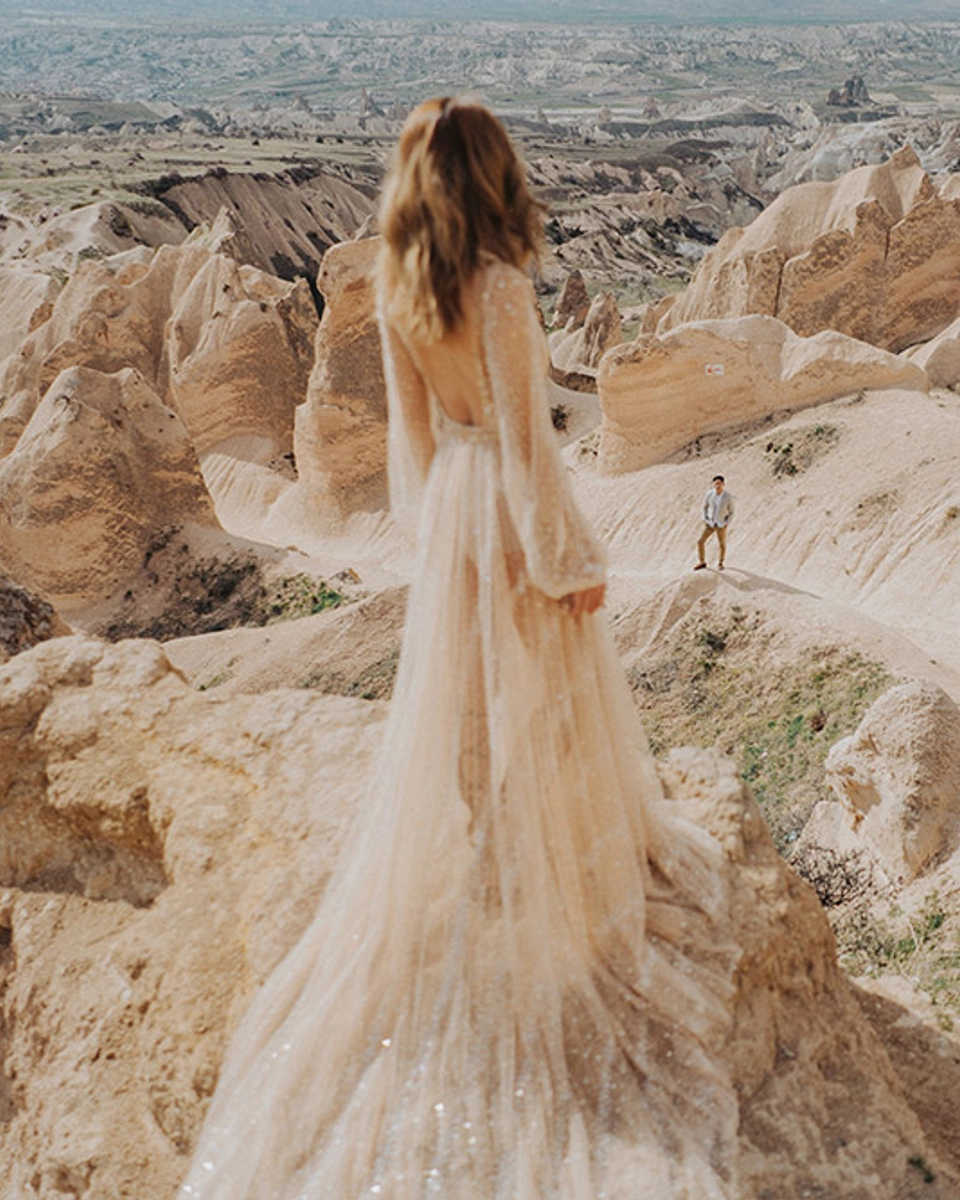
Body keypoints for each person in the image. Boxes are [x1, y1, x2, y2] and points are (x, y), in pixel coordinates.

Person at [178, 98, 737, 1200]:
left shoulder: (401, 296)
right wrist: (569, 562)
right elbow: (530, 449)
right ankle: (552, 881)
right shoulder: (503, 291)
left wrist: (444, 540)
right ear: (496, 180)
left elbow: (415, 450)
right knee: (557, 697)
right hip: (513, 512)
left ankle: (491, 861)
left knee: (473, 703)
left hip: (451, 519)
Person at [694, 475, 734, 571]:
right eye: (716, 483)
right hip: (711, 523)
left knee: (722, 544)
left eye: (719, 483)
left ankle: (720, 563)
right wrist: (705, 518)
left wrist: (726, 523)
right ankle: (702, 561)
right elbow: (705, 506)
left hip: (721, 524)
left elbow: (732, 511)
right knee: (700, 541)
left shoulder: (728, 497)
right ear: (713, 484)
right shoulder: (709, 494)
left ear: (723, 484)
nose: (717, 485)